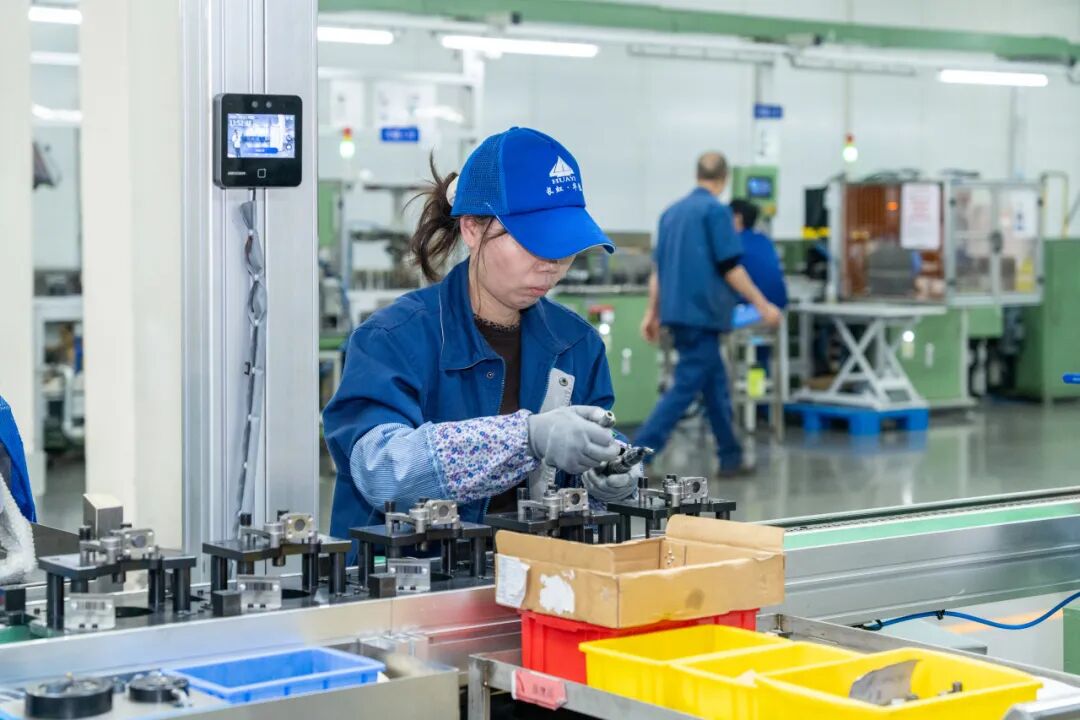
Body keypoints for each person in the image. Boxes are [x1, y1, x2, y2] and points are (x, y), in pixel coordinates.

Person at [324, 128, 641, 545]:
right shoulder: (392, 339)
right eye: (534, 243)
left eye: (565, 247)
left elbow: (585, 466)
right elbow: (383, 469)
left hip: (533, 571)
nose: (551, 264)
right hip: (410, 576)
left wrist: (607, 472)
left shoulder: (577, 345)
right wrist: (525, 438)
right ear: (472, 229)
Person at [636, 153, 781, 477]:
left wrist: (651, 312)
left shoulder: (670, 214)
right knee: (684, 388)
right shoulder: (716, 212)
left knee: (715, 385)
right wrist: (763, 305)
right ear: (725, 178)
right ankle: (638, 456)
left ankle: (730, 456)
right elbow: (730, 267)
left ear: (697, 174)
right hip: (703, 316)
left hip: (677, 314)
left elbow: (658, 271)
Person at [730, 199, 788, 311]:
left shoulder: (733, 244)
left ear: (737, 218)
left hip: (753, 309)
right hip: (778, 308)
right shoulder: (764, 240)